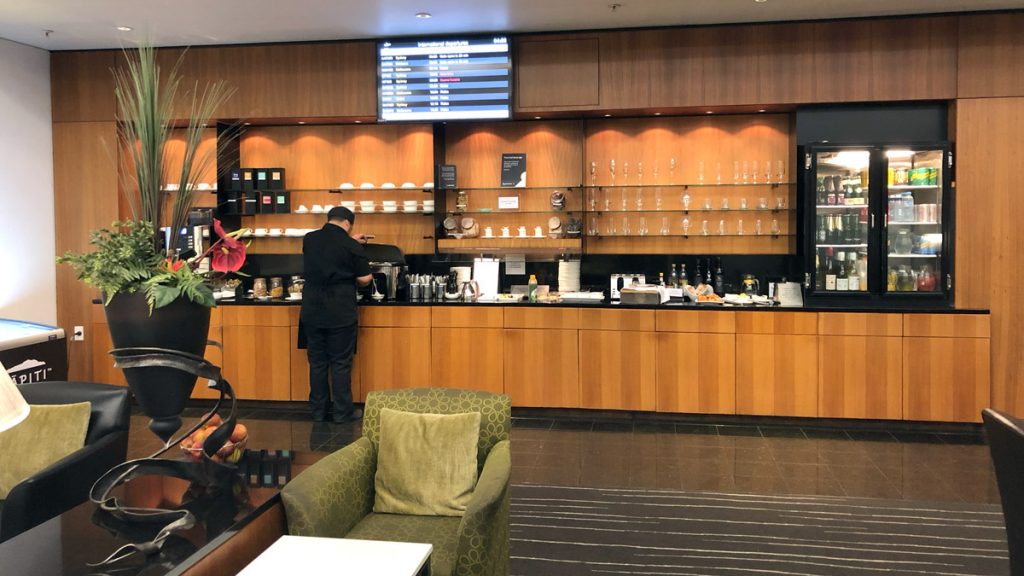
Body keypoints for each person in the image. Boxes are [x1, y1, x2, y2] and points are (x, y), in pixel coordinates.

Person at [300, 206, 372, 423]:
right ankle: (342, 413)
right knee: (340, 363)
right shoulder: (350, 245)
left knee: (318, 362)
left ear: (330, 219)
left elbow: (329, 247)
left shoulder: (309, 239)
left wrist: (351, 243)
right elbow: (365, 278)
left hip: (312, 309)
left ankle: (319, 412)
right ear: (348, 224)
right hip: (340, 310)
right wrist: (354, 247)